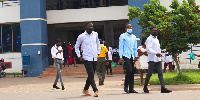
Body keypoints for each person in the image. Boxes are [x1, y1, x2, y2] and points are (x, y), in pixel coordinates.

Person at [75, 22, 100, 97]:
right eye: (89, 26)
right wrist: (79, 56)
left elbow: (98, 44)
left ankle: (85, 89)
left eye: (92, 26)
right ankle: (95, 90)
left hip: (94, 57)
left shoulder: (95, 34)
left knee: (91, 75)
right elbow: (76, 47)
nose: (91, 28)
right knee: (91, 74)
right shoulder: (81, 36)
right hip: (86, 58)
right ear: (86, 27)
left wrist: (98, 52)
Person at [143, 26, 172, 93]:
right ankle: (145, 87)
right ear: (151, 31)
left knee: (160, 73)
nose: (156, 31)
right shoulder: (149, 39)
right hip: (152, 59)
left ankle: (163, 88)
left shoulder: (156, 39)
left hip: (158, 59)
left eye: (156, 30)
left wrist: (159, 54)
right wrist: (156, 53)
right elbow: (148, 49)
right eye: (154, 30)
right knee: (149, 73)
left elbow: (158, 48)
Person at [119, 23, 138, 93]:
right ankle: (125, 86)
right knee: (129, 70)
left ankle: (131, 88)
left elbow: (135, 48)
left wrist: (136, 56)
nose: (130, 28)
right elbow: (121, 46)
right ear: (125, 28)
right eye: (128, 27)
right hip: (125, 55)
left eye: (130, 26)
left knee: (132, 72)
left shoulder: (134, 37)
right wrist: (120, 57)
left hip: (131, 56)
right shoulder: (123, 36)